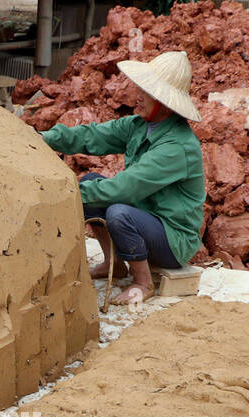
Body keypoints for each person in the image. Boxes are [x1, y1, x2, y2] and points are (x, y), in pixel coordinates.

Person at [40, 50, 206, 305]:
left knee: (118, 212)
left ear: (163, 102)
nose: (137, 97)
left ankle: (143, 283)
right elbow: (93, 136)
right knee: (89, 186)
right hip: (144, 217)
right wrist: (44, 139)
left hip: (173, 238)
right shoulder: (139, 125)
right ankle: (115, 264)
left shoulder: (178, 146)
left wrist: (63, 193)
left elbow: (127, 188)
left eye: (146, 93)